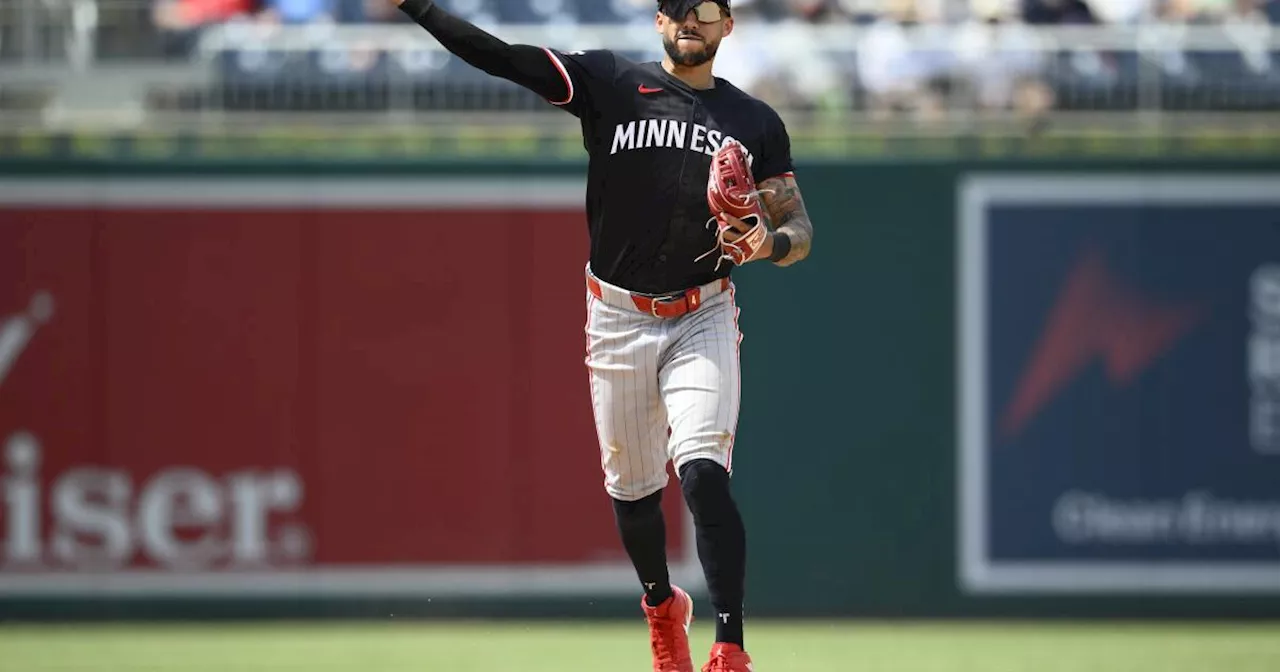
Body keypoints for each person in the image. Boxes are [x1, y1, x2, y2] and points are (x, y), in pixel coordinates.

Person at [390, 0, 814, 669]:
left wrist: (770, 242)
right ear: (657, 21)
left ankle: (729, 645)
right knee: (634, 494)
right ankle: (660, 605)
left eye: (704, 10)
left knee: (703, 475)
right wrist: (418, 7)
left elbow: (801, 232)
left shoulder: (753, 121)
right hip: (617, 315)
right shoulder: (613, 83)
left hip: (702, 310)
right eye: (675, 8)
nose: (689, 21)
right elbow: (502, 57)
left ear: (727, 25)